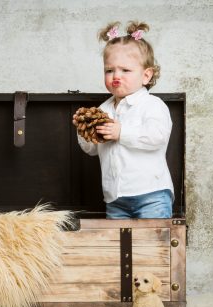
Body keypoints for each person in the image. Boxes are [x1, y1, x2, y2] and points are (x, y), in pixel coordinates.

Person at [72, 21, 174, 219]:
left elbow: (157, 137)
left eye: (125, 70)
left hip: (151, 194)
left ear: (146, 75)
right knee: (121, 248)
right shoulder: (103, 110)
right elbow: (92, 150)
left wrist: (121, 132)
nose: (116, 76)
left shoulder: (152, 105)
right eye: (109, 70)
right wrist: (85, 132)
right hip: (115, 198)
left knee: (152, 246)